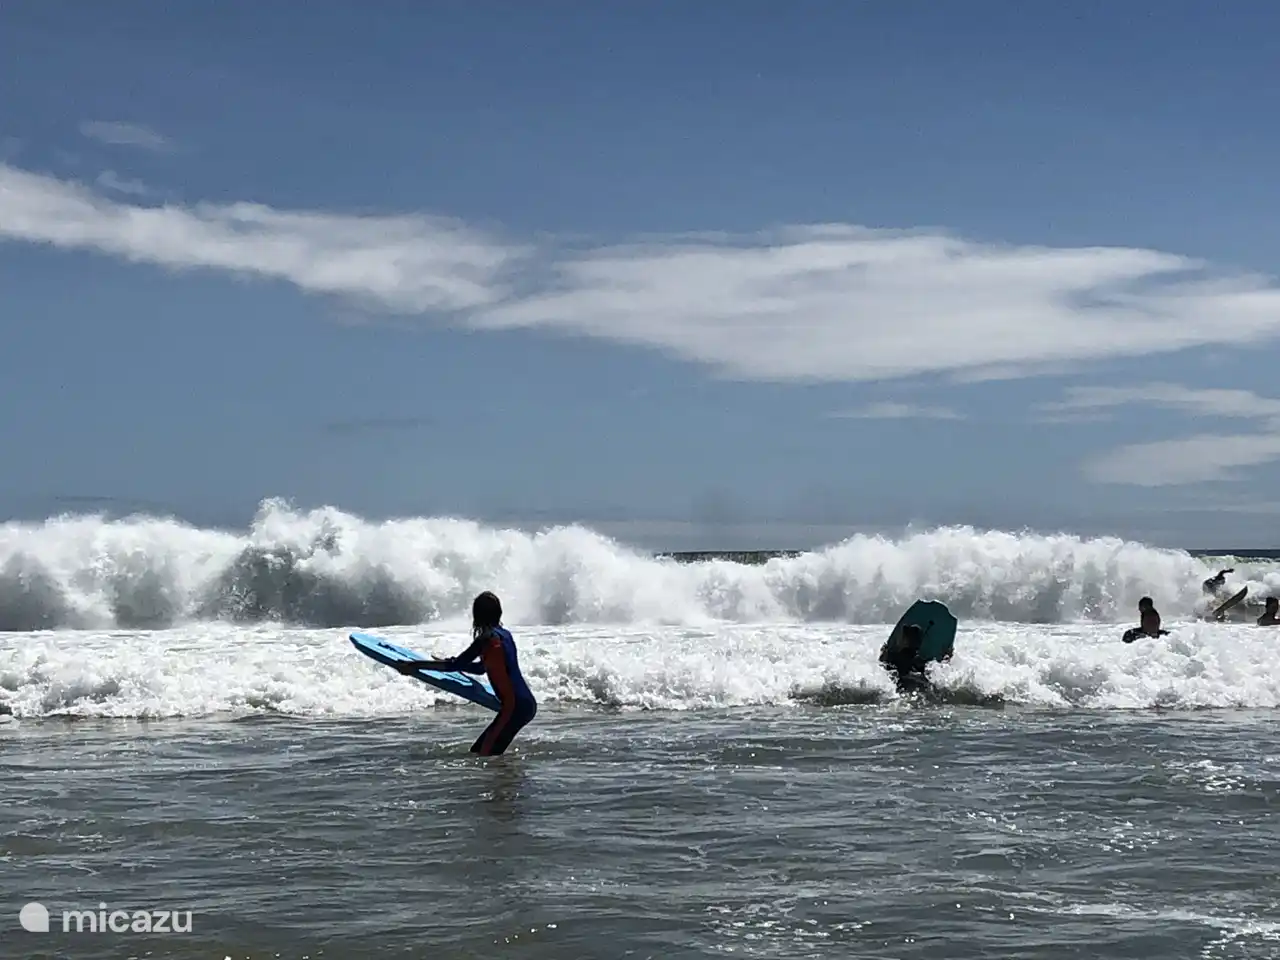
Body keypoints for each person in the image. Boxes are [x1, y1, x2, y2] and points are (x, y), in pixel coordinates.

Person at [395, 591, 537, 756]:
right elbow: (480, 668)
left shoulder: (486, 639)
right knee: (477, 752)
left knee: (485, 756)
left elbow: (452, 666)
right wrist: (457, 665)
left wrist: (413, 666)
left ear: (478, 616)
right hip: (525, 704)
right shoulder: (505, 636)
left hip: (514, 708)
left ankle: (507, 781)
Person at [879, 623, 936, 694]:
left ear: (906, 641)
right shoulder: (922, 660)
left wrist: (883, 655)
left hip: (899, 689)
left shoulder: (894, 656)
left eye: (902, 637)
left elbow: (884, 668)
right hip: (916, 688)